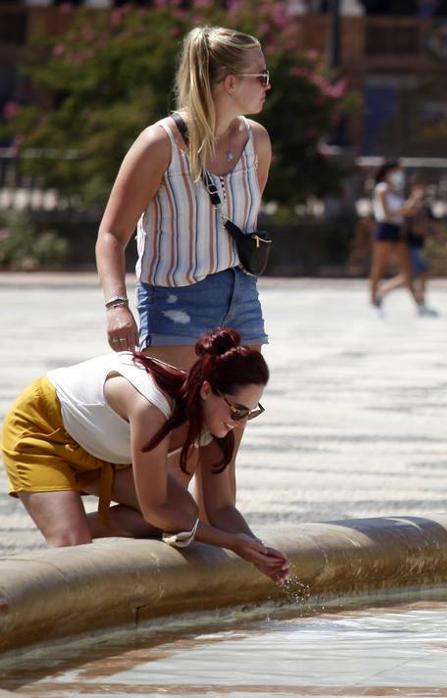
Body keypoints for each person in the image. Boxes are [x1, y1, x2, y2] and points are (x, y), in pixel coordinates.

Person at [2, 328, 289, 583]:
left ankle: (69, 522)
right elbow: (156, 510)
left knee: (184, 512)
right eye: (237, 410)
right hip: (43, 429)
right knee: (76, 551)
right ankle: (66, 530)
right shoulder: (150, 406)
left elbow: (220, 508)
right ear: (206, 390)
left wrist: (257, 549)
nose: (240, 423)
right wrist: (231, 542)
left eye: (251, 412)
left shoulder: (219, 422)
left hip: (104, 446)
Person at [96, 26, 273, 370]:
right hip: (175, 299)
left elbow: (245, 222)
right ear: (231, 83)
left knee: (232, 420)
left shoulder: (258, 142)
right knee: (176, 419)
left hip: (243, 295)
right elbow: (112, 235)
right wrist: (116, 305)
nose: (268, 85)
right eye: (262, 76)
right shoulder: (159, 144)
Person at [376, 178, 447, 316]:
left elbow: (433, 226)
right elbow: (399, 218)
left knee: (408, 276)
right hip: (408, 245)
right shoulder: (407, 204)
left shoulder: (426, 206)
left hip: (418, 245)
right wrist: (412, 205)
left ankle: (385, 293)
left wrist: (445, 242)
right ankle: (420, 304)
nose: (421, 191)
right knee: (419, 273)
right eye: (418, 187)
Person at [368, 161, 423, 313]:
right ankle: (372, 301)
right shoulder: (382, 189)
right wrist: (408, 205)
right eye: (397, 171)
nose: (400, 175)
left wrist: (414, 201)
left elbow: (404, 212)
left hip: (398, 230)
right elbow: (388, 214)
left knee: (408, 270)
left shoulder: (396, 191)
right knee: (379, 266)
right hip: (385, 229)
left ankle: (418, 304)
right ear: (388, 172)